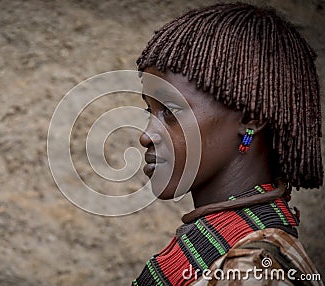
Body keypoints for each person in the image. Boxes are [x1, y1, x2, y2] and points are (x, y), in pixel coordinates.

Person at [133, 3, 323, 285]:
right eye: (151, 112)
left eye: (170, 112)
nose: (146, 135)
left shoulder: (254, 272)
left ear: (250, 119)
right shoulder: (225, 254)